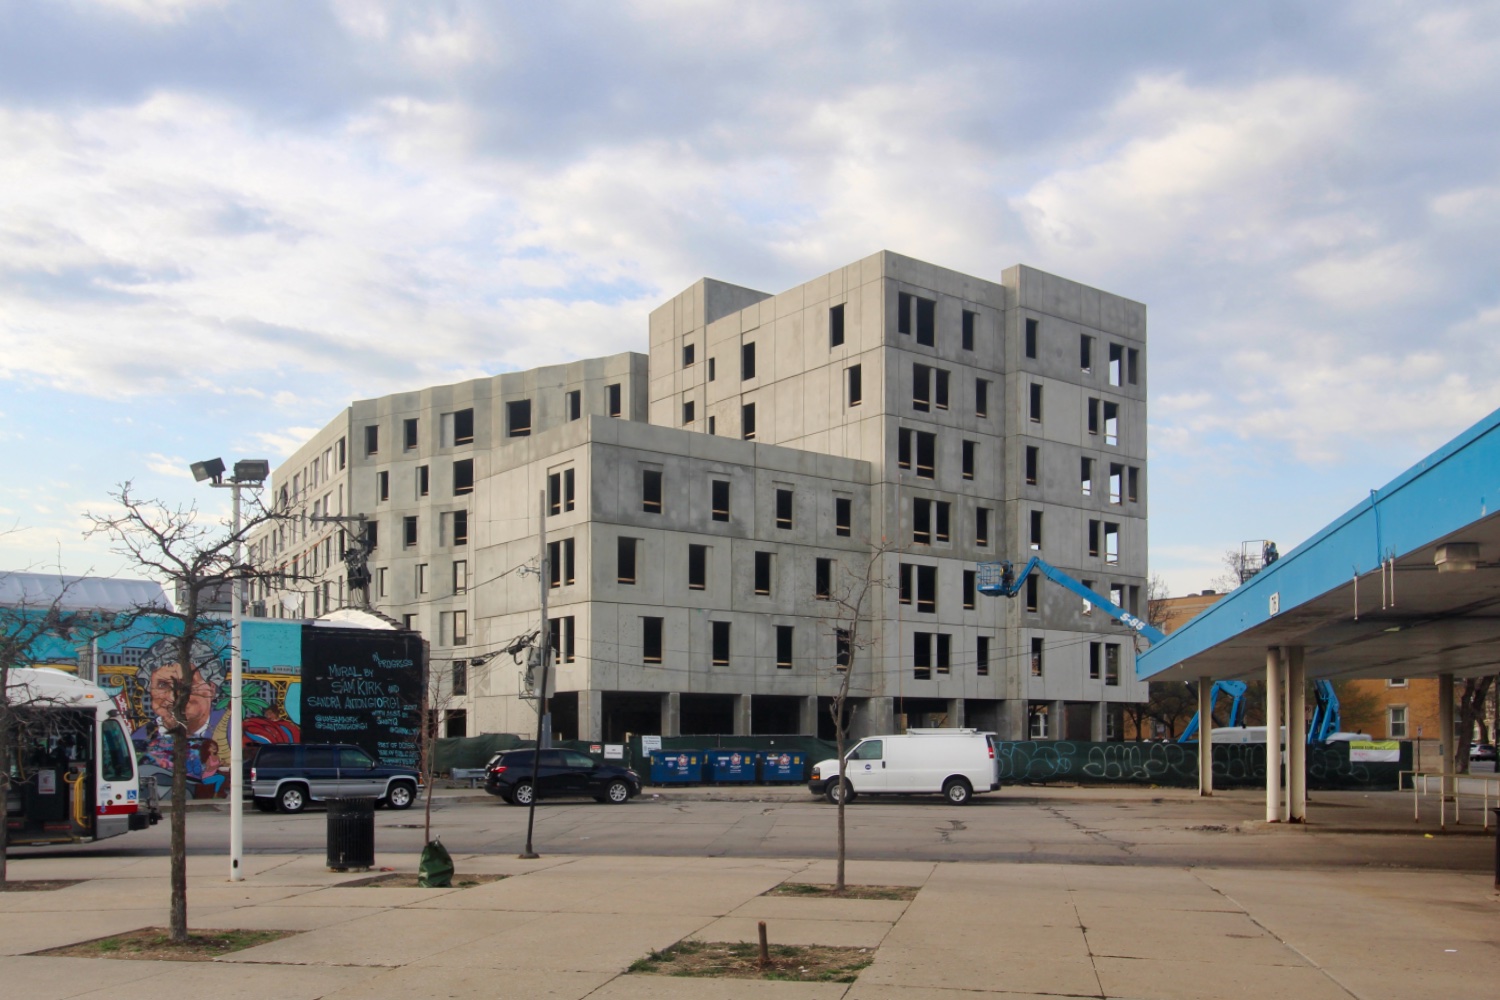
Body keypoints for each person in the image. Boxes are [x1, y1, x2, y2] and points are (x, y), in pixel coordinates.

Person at [134, 638, 228, 781]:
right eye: (162, 685)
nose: (172, 697)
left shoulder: (231, 730)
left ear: (212, 688)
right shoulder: (137, 739)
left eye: (186, 685)